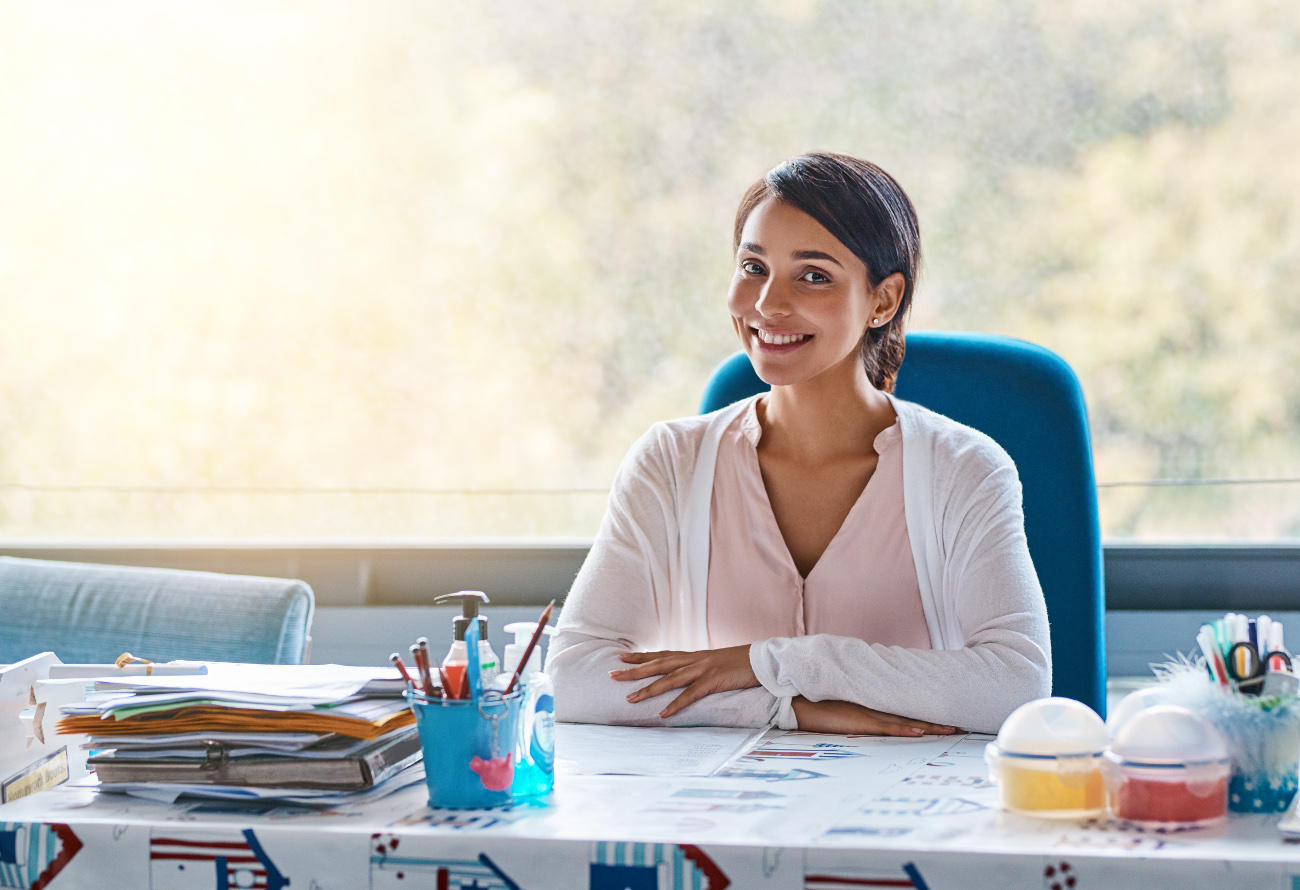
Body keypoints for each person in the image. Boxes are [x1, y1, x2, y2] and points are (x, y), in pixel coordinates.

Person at [548, 152, 1050, 735]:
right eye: (753, 267)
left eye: (813, 276)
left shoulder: (965, 470)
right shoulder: (670, 461)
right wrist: (784, 708)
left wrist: (770, 662)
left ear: (883, 302)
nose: (767, 305)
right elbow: (574, 677)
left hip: (902, 812)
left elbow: (1016, 686)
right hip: (721, 815)